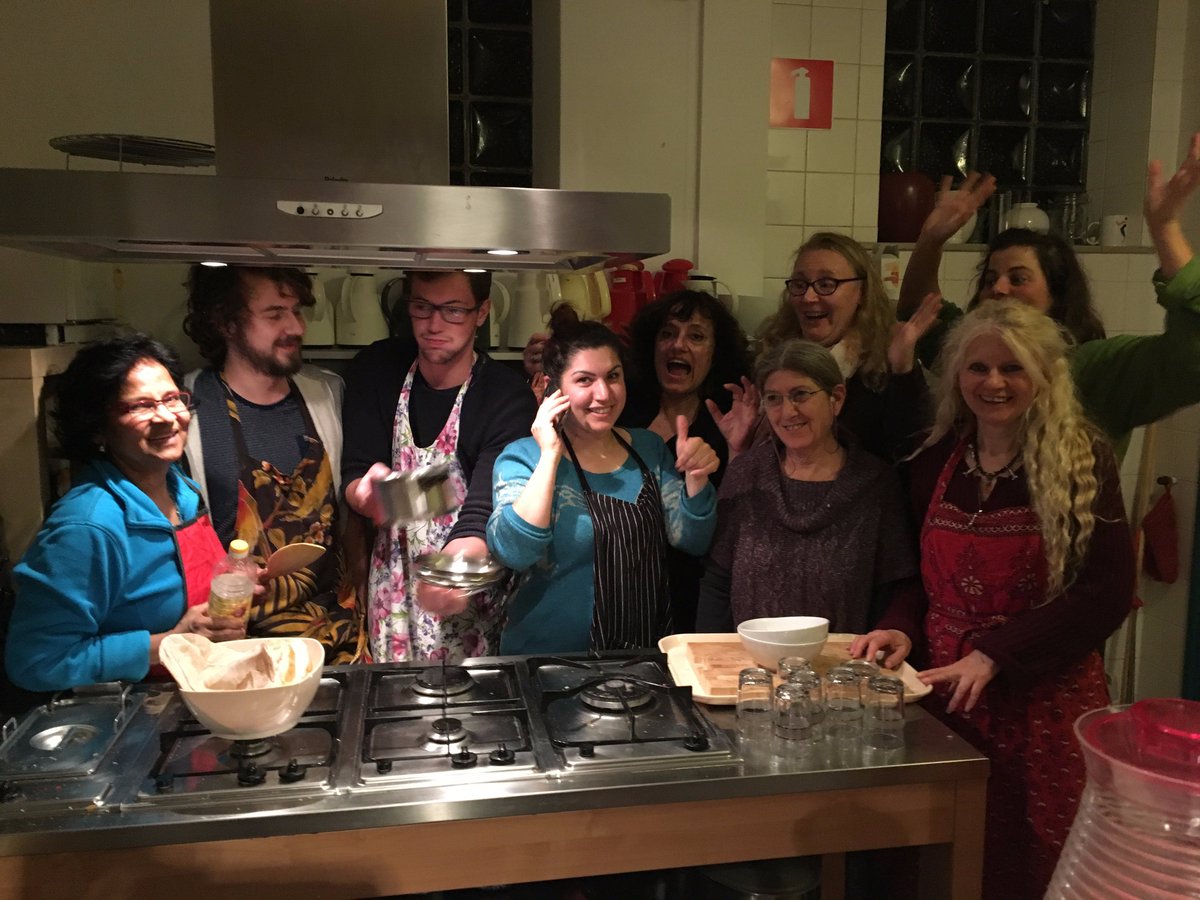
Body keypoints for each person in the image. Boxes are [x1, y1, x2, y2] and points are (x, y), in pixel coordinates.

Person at [852, 300, 1135, 899]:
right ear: (957, 376)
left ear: (1046, 376)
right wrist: (900, 626)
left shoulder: (1082, 460)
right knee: (941, 857)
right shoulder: (936, 458)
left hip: (1044, 703)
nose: (994, 382)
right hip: (945, 697)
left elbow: (1106, 593)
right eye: (978, 367)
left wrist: (997, 654)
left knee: (1033, 859)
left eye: (1014, 368)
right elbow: (914, 576)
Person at [898, 133, 1200, 459]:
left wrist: (1165, 230)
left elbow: (1192, 361)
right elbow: (919, 310)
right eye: (989, 279)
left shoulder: (1097, 369)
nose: (999, 289)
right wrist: (930, 240)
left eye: (1018, 279)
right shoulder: (971, 355)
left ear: (1058, 293)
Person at [6, 335, 246, 692]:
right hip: (130, 717)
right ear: (99, 427)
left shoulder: (182, 489)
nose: (166, 417)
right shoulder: (87, 526)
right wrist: (168, 643)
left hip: (196, 691)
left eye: (171, 399)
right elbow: (35, 660)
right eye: (140, 406)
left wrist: (232, 583)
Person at [488, 307, 719, 654]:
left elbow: (692, 540)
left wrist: (697, 480)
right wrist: (551, 454)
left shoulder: (648, 449)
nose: (604, 394)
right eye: (584, 380)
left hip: (641, 658)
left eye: (613, 376)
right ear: (556, 389)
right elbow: (515, 552)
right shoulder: (523, 458)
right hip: (546, 661)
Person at [342, 269, 536, 663]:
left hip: (468, 599)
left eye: (452, 311)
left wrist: (451, 573)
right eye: (421, 307)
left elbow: (483, 507)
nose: (433, 324)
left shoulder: (504, 395)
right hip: (393, 596)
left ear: (482, 312)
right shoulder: (378, 369)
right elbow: (355, 469)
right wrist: (365, 495)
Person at [182, 265, 362, 664]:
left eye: (296, 311)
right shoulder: (189, 405)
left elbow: (349, 524)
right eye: (275, 313)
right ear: (226, 323)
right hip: (237, 647)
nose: (296, 327)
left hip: (340, 642)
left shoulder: (327, 394)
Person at [696, 339, 919, 634]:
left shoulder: (875, 484)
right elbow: (718, 580)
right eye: (774, 398)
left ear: (836, 399)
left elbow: (893, 589)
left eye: (800, 394)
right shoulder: (746, 474)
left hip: (841, 669)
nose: (787, 412)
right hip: (750, 669)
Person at [619, 290, 756, 631]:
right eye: (667, 333)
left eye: (696, 336)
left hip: (693, 601)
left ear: (714, 353)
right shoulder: (620, 413)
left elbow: (738, 530)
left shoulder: (728, 424)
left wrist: (737, 452)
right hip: (618, 592)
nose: (678, 345)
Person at [755, 232, 941, 461]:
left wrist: (903, 368)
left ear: (861, 292)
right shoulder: (773, 358)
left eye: (826, 284)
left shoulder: (883, 368)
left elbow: (911, 455)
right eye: (800, 284)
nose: (809, 297)